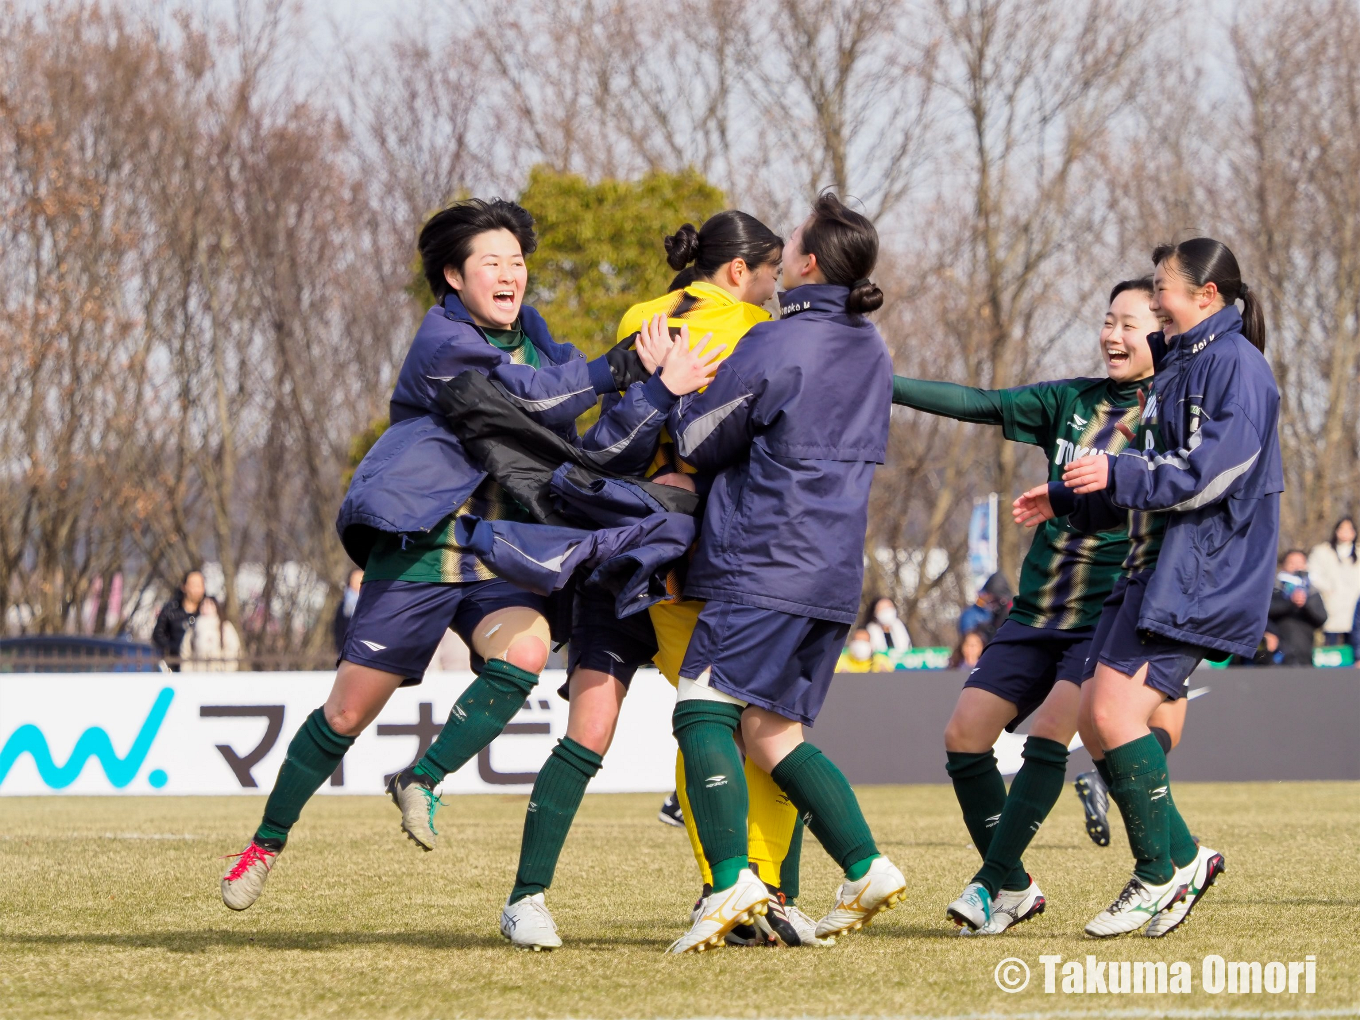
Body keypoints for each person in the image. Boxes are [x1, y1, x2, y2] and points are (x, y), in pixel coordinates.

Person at [220, 198, 711, 912]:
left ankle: (420, 778)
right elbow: (537, 403)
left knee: (528, 649)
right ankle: (265, 843)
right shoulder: (442, 341)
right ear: (454, 276)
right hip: (422, 545)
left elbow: (574, 423)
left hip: (495, 553)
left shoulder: (534, 332)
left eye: (518, 263)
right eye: (493, 263)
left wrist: (655, 393)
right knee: (347, 716)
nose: (511, 275)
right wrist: (630, 365)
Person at [497, 211, 824, 950]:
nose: (774, 291)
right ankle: (760, 895)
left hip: (615, 550)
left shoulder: (641, 317)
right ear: (742, 272)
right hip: (691, 563)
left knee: (589, 728)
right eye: (771, 275)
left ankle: (527, 898)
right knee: (746, 722)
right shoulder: (753, 326)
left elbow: (613, 442)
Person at [894, 278, 1186, 933]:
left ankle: (986, 883)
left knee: (1054, 732)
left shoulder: (1169, 415)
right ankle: (1018, 888)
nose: (1113, 335)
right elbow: (978, 403)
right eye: (1108, 320)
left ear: (1161, 333)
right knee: (963, 738)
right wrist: (885, 385)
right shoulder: (1068, 401)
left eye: (1130, 324)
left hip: (1107, 614)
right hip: (1034, 611)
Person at [663, 193, 906, 953]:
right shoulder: (872, 347)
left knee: (702, 706)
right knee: (774, 731)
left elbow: (701, 437)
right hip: (834, 575)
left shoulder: (778, 340)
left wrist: (673, 391)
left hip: (764, 560)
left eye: (791, 241)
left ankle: (733, 878)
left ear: (805, 263)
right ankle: (865, 865)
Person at [1037, 236, 1281, 938]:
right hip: (1155, 568)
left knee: (1115, 717)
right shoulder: (1181, 366)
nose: (1152, 301)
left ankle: (1157, 873)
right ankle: (1184, 860)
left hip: (1202, 574)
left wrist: (1119, 475)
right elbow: (1147, 473)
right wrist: (1069, 495)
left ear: (1206, 297)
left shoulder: (1240, 367)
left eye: (1162, 288)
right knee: (1094, 717)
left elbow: (1213, 473)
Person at [1307, 517, 1359, 647]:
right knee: (1331, 646)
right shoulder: (1322, 551)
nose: (1345, 533)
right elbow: (1313, 574)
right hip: (1330, 605)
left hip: (1355, 607)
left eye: (1349, 529)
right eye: (1342, 529)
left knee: (1354, 644)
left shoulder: (1358, 553)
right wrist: (1328, 589)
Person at [1269, 550, 1327, 665]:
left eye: (1300, 563)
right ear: (1283, 566)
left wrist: (1305, 604)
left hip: (1305, 651)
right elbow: (1267, 611)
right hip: (1278, 652)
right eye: (1292, 563)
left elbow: (1321, 618)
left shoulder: (1312, 591)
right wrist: (1290, 603)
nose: (1297, 567)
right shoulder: (1274, 588)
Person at [151, 569, 204, 671]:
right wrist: (174, 648)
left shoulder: (208, 609)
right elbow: (158, 634)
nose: (197, 589)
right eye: (193, 585)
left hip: (202, 668)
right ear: (184, 587)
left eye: (200, 585)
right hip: (176, 666)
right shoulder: (171, 609)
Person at [179, 596, 242, 672]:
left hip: (220, 674)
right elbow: (185, 652)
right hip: (198, 675)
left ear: (216, 607)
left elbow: (233, 650)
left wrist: (226, 670)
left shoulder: (225, 627)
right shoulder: (193, 629)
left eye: (210, 604)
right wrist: (189, 672)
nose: (206, 607)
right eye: (203, 604)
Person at [957, 573, 1011, 644]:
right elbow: (969, 640)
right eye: (982, 595)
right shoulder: (969, 615)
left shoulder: (995, 612)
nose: (987, 598)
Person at [332, 567, 363, 657]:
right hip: (346, 651)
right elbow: (338, 628)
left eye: (360, 579)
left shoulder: (371, 603)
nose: (357, 583)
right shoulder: (343, 605)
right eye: (355, 579)